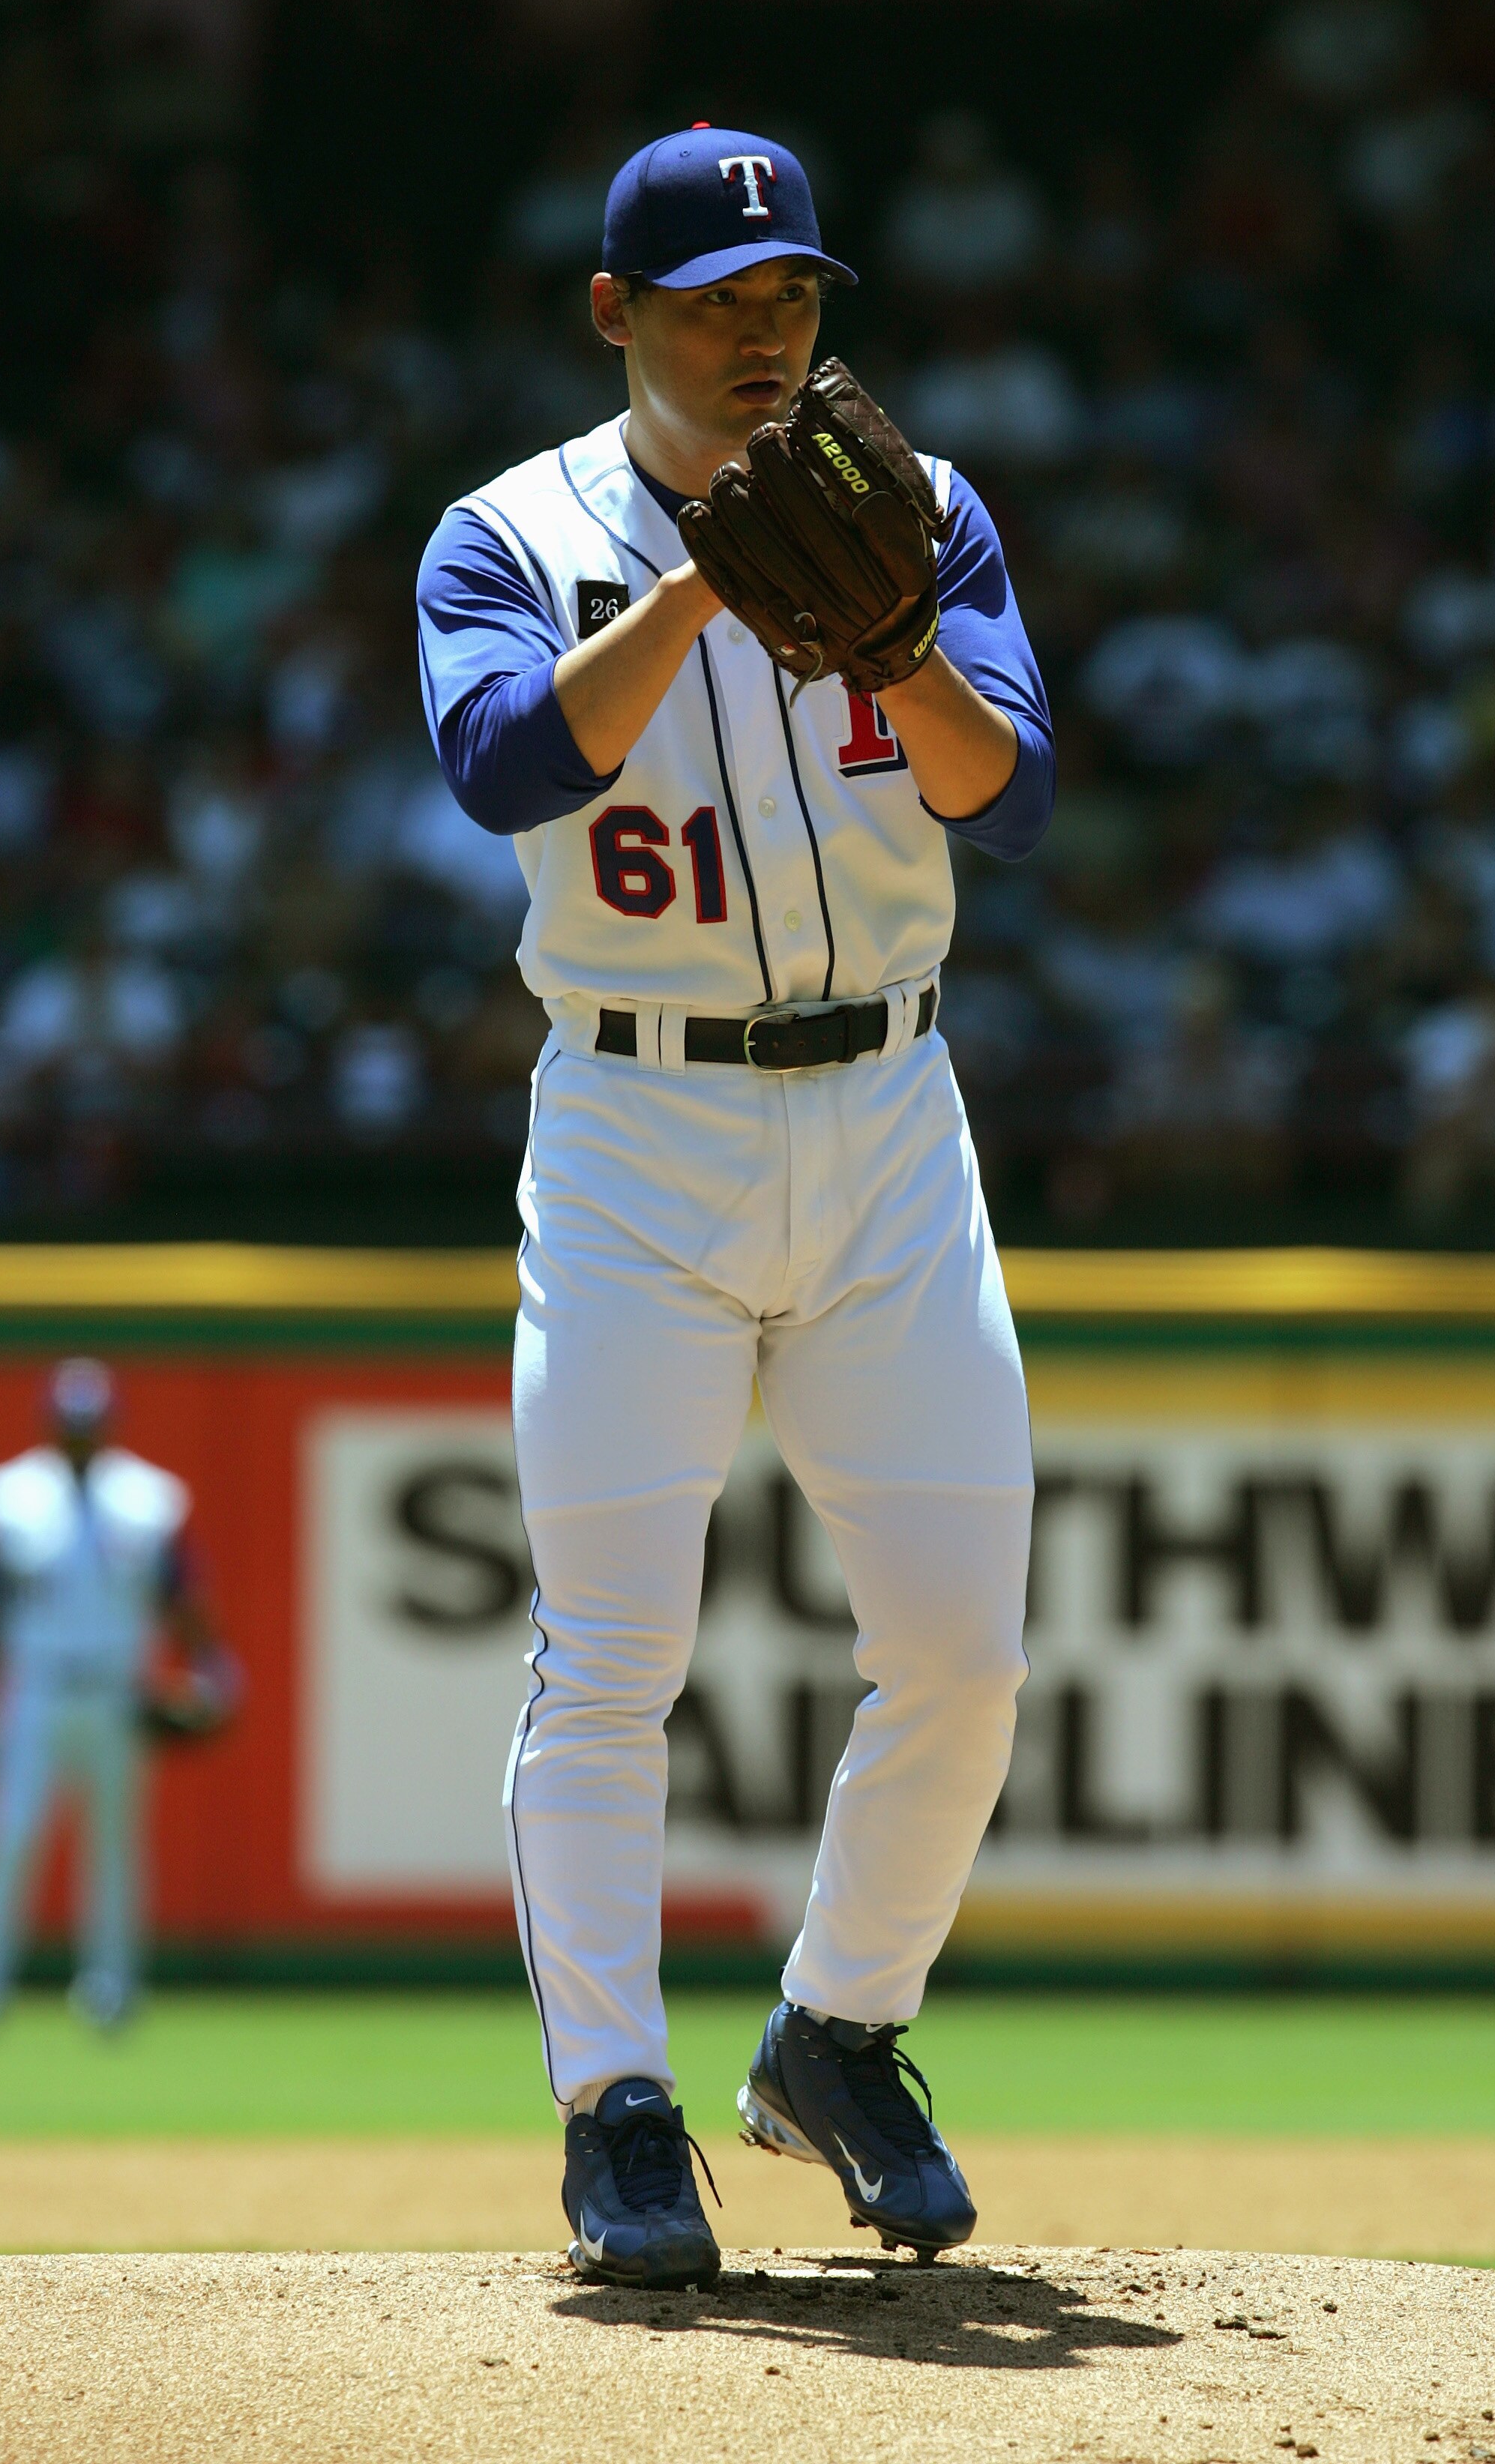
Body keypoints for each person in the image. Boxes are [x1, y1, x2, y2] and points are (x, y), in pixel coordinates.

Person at [417, 126, 1052, 2283]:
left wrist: (885, 642)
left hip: (890, 1114)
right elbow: (504, 767)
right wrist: (704, 577)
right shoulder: (511, 535)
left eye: (790, 293)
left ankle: (840, 2038)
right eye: (716, 299)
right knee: (614, 1657)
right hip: (633, 1133)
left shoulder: (920, 510)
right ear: (617, 316)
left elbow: (1011, 794)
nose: (766, 330)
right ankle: (615, 2107)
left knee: (962, 1656)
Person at [0, 1359, 213, 2037]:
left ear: (108, 1425)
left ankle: (111, 1986)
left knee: (114, 1844)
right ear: (50, 1424)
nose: (79, 1435)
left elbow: (181, 1593)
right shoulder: (6, 1496)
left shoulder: (149, 1498)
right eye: (70, 1424)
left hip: (116, 1690)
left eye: (90, 1423)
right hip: (35, 1689)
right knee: (10, 1835)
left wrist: (209, 1667)